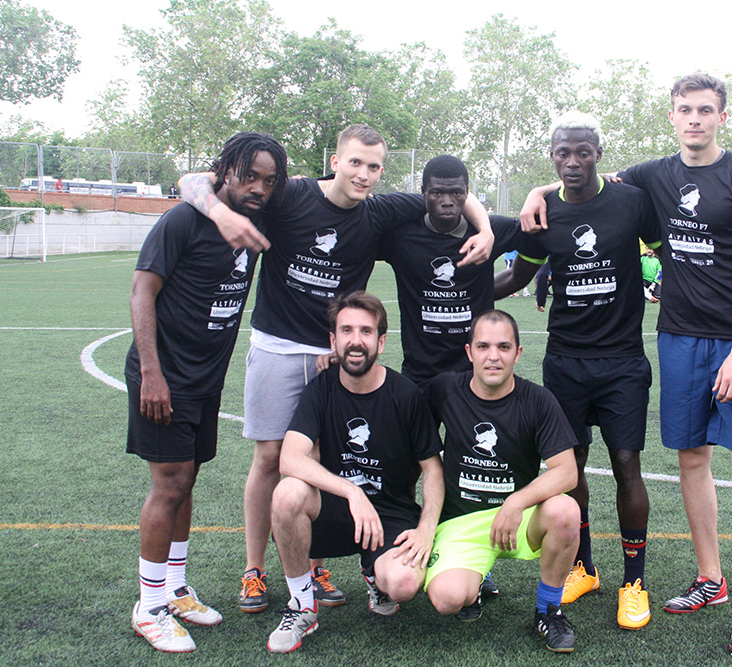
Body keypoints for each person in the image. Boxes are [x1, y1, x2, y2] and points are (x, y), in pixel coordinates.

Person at [178, 125, 492, 613]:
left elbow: (451, 195)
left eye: (374, 166)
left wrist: (486, 229)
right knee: (270, 458)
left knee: (325, 457)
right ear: (336, 161)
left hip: (340, 352)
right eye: (355, 163)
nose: (364, 174)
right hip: (279, 346)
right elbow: (192, 181)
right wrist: (220, 213)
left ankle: (316, 568)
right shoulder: (294, 193)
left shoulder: (379, 210)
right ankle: (254, 570)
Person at [521, 73, 732, 656]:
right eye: (685, 109)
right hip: (679, 338)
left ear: (721, 117)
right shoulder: (651, 176)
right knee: (691, 459)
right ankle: (711, 578)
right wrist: (539, 190)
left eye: (705, 110)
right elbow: (583, 175)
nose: (695, 119)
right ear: (672, 116)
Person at [497, 111, 662, 631]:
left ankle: (633, 582)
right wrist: (463, 295)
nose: (573, 161)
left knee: (627, 464)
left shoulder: (631, 202)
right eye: (563, 153)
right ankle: (584, 568)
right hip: (566, 362)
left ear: (597, 153)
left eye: (582, 152)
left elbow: (671, 257)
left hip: (622, 362)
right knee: (571, 468)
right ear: (552, 156)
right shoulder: (543, 211)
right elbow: (516, 276)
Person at [126, 132, 288, 652]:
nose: (259, 188)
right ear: (226, 171)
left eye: (269, 180)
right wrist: (152, 372)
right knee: (169, 483)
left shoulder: (258, 216)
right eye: (249, 176)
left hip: (204, 379)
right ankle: (149, 606)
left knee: (187, 479)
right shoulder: (184, 219)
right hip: (164, 375)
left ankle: (174, 589)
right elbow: (142, 292)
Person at [264, 292, 444, 653]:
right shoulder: (320, 389)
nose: (355, 340)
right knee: (287, 494)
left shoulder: (405, 394)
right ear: (334, 340)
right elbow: (290, 459)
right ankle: (302, 606)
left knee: (404, 585)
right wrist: (352, 491)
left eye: (365, 331)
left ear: (381, 341)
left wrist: (426, 529)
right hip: (337, 509)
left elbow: (433, 470)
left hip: (390, 514)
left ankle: (376, 574)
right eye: (346, 330)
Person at [424, 310, 580, 652]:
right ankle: (475, 580)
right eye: (483, 346)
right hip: (461, 523)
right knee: (447, 599)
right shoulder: (445, 390)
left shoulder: (537, 400)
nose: (493, 356)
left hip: (518, 520)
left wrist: (516, 502)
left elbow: (567, 471)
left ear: (518, 353)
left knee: (566, 511)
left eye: (503, 347)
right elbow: (410, 430)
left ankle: (548, 611)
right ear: (469, 352)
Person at [377, 155, 521, 389]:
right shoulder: (401, 236)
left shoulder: (489, 232)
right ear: (423, 193)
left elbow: (538, 238)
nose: (447, 201)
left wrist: (509, 281)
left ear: (467, 194)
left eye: (456, 193)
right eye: (437, 193)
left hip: (476, 374)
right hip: (419, 374)